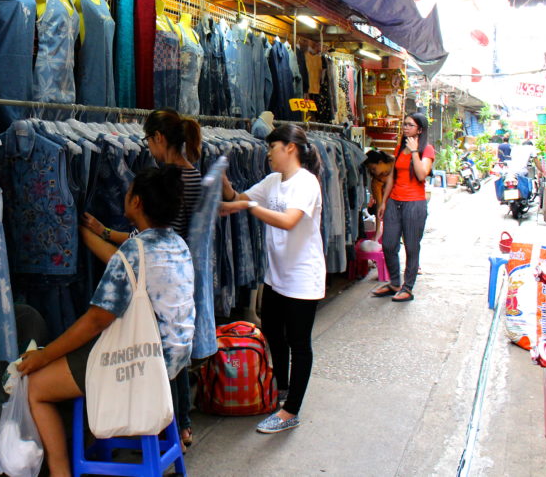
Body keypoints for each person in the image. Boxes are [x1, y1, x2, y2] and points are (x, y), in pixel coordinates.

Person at [18, 166, 195, 477]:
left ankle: (60, 471)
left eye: (128, 193)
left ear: (137, 202)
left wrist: (43, 356)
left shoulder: (135, 250)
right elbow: (125, 265)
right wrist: (90, 232)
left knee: (36, 385)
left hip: (140, 360)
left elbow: (96, 320)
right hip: (173, 356)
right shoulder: (176, 243)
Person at [80, 108, 202, 449]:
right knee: (173, 343)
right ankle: (177, 424)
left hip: (163, 276)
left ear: (158, 138)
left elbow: (146, 244)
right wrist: (104, 231)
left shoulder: (172, 180)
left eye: (148, 139)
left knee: (158, 342)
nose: (147, 146)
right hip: (179, 270)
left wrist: (95, 236)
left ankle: (172, 422)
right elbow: (146, 237)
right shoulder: (186, 176)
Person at [220, 123, 324, 434]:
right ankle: (282, 391)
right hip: (277, 276)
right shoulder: (274, 181)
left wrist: (247, 206)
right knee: (274, 336)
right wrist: (224, 185)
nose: (268, 154)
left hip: (303, 278)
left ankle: (291, 410)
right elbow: (240, 197)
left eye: (272, 147)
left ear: (289, 148)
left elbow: (289, 221)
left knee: (298, 343)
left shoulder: (307, 183)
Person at [372, 112, 435, 303]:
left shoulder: (427, 150)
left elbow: (422, 174)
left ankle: (407, 288)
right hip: (394, 202)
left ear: (420, 129)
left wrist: (415, 151)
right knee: (388, 244)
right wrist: (383, 202)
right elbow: (392, 176)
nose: (406, 128)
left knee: (411, 246)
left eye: (410, 125)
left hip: (414, 204)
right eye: (405, 124)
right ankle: (394, 283)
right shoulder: (400, 147)